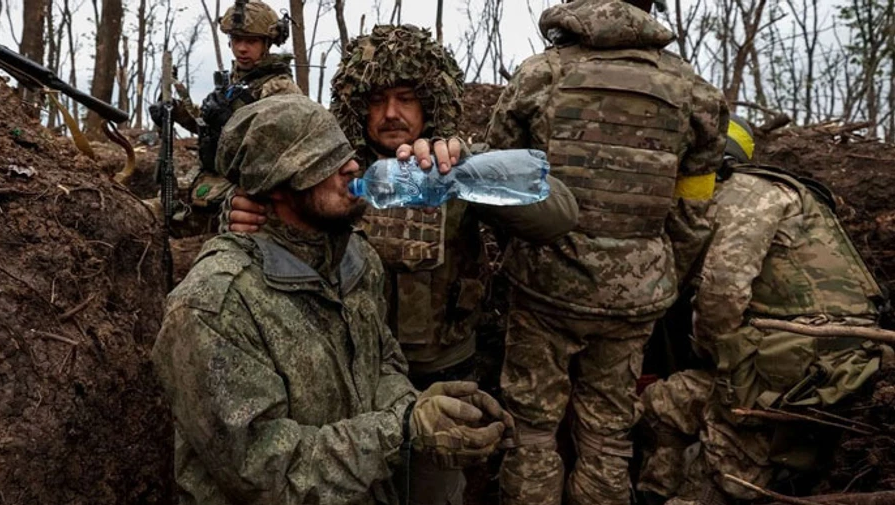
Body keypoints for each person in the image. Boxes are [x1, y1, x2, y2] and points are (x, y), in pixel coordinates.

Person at [227, 25, 579, 504]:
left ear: (431, 100)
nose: (391, 113)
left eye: (407, 98)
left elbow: (559, 215)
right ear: (356, 104)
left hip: (441, 373)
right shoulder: (327, 176)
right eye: (376, 100)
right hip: (351, 381)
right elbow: (258, 222)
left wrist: (467, 170)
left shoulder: (453, 165)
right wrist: (239, 211)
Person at [151, 95, 514, 505]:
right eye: (322, 161)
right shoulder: (214, 307)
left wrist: (422, 410)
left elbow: (382, 364)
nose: (352, 167)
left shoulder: (355, 259)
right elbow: (263, 472)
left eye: (343, 153)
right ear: (276, 186)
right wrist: (401, 430)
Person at [482, 1, 729, 504]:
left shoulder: (540, 74)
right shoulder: (695, 92)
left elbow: (499, 186)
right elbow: (692, 214)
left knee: (531, 431)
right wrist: (660, 276)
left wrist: (525, 256)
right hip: (635, 299)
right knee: (608, 436)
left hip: (544, 288)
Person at [637, 115, 888, 504]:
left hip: (798, 360)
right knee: (660, 404)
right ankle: (653, 490)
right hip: (803, 352)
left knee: (717, 475)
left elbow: (722, 293)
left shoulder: (746, 195)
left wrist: (711, 351)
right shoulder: (764, 192)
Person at [150, 0, 301, 234]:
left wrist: (234, 125)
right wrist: (174, 112)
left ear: (267, 43)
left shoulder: (280, 88)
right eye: (236, 40)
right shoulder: (235, 81)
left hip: (249, 195)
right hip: (212, 180)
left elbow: (285, 150)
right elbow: (206, 124)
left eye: (251, 41)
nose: (242, 48)